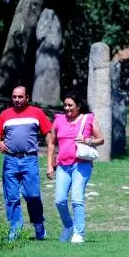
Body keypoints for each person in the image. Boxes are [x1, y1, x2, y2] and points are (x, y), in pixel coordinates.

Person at [0, 85, 53, 241]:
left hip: (29, 160)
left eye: (20, 97)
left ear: (27, 98)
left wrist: (50, 158)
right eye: (14, 97)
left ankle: (39, 226)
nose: (17, 100)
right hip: (10, 160)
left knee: (32, 195)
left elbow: (49, 135)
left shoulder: (36, 113)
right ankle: (15, 230)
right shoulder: (5, 115)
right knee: (11, 197)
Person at [46, 92, 104, 244]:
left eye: (70, 105)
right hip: (62, 166)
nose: (67, 108)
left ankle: (79, 233)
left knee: (77, 199)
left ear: (78, 106)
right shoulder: (59, 119)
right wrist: (49, 165)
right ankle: (68, 226)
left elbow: (101, 139)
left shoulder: (88, 119)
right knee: (59, 200)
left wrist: (87, 140)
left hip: (81, 164)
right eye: (65, 105)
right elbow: (51, 143)